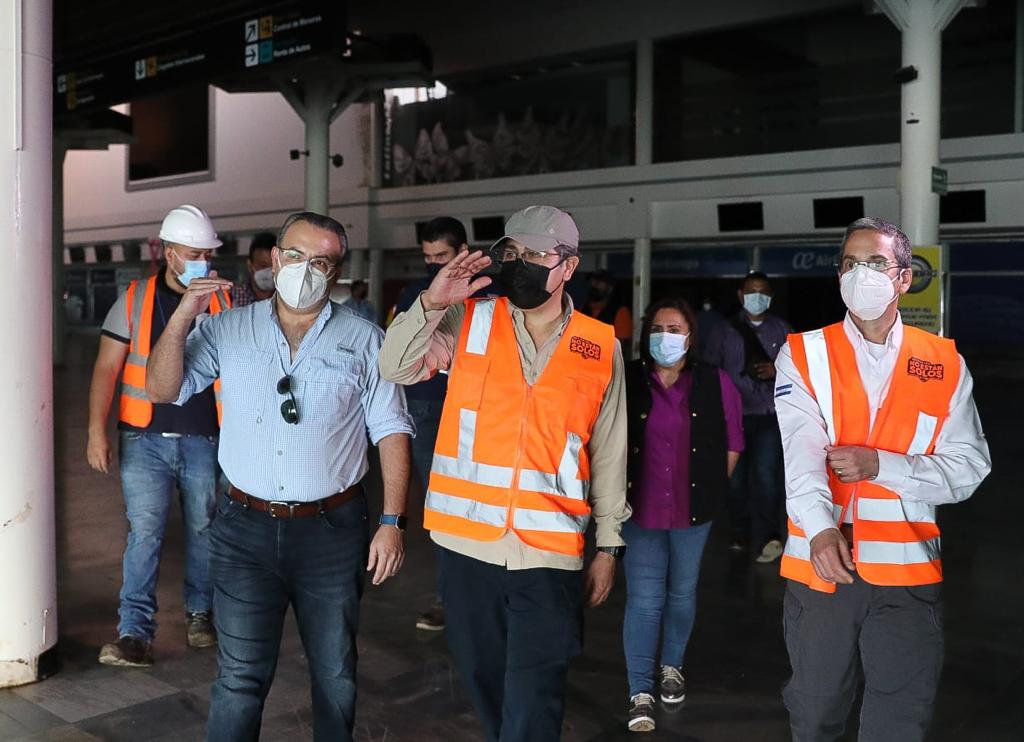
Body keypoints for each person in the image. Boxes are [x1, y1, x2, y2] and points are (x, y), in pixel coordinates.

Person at [145, 211, 413, 741]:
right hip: (245, 528)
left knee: (335, 675)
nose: (305, 269)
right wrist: (182, 316)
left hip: (332, 532)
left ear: (335, 272)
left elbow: (392, 429)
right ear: (273, 259)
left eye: (321, 261)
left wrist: (393, 520)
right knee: (240, 677)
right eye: (295, 255)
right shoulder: (225, 328)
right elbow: (161, 389)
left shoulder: (364, 339)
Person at [379, 205, 630, 741]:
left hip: (549, 549)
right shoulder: (469, 317)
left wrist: (608, 547)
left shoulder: (600, 346)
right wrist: (430, 302)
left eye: (536, 254)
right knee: (483, 677)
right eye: (511, 253)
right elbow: (395, 367)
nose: (520, 264)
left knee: (537, 689)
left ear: (568, 266)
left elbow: (609, 453)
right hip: (467, 546)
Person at [775, 217, 991, 742]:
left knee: (898, 721)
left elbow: (969, 467)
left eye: (874, 263)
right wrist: (822, 530)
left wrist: (882, 465)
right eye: (849, 263)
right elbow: (801, 458)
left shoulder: (943, 362)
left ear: (903, 278)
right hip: (823, 569)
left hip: (907, 576)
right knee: (816, 712)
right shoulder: (804, 353)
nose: (859, 273)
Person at [87, 204, 228, 667]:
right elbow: (107, 369)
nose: (202, 262)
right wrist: (96, 431)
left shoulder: (225, 301)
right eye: (193, 253)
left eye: (208, 253)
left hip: (205, 439)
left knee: (206, 529)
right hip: (143, 439)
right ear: (169, 253)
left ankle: (200, 615)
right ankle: (134, 632)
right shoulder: (133, 299)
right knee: (144, 533)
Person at [622, 297, 744, 733]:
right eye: (658, 328)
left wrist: (711, 488)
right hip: (640, 511)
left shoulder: (714, 382)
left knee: (681, 594)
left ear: (690, 337)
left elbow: (733, 441)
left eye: (675, 329)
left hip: (694, 509)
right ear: (645, 334)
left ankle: (671, 665)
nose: (666, 337)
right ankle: (639, 690)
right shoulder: (629, 380)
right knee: (645, 599)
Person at [391, 216, 472, 632]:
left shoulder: (487, 295)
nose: (433, 264)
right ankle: (447, 599)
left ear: (462, 252)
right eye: (427, 257)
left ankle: (476, 597)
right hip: (424, 410)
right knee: (439, 512)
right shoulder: (414, 293)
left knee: (474, 507)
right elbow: (398, 351)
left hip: (472, 412)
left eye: (441, 256)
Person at [705, 271, 792, 562]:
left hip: (768, 415)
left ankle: (770, 536)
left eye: (763, 292)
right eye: (751, 291)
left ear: (770, 297)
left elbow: (802, 373)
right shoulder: (723, 331)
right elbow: (709, 371)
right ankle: (740, 533)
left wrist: (777, 371)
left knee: (766, 477)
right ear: (741, 295)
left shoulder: (782, 330)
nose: (757, 297)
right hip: (734, 417)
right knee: (735, 479)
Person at [582, 268, 633, 352]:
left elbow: (620, 348)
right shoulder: (583, 309)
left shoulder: (620, 312)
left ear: (610, 287)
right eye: (592, 281)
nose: (594, 285)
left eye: (599, 282)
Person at [230, 232, 276, 307]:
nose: (270, 272)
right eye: (263, 266)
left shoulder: (287, 297)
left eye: (274, 266)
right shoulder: (234, 296)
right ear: (250, 265)